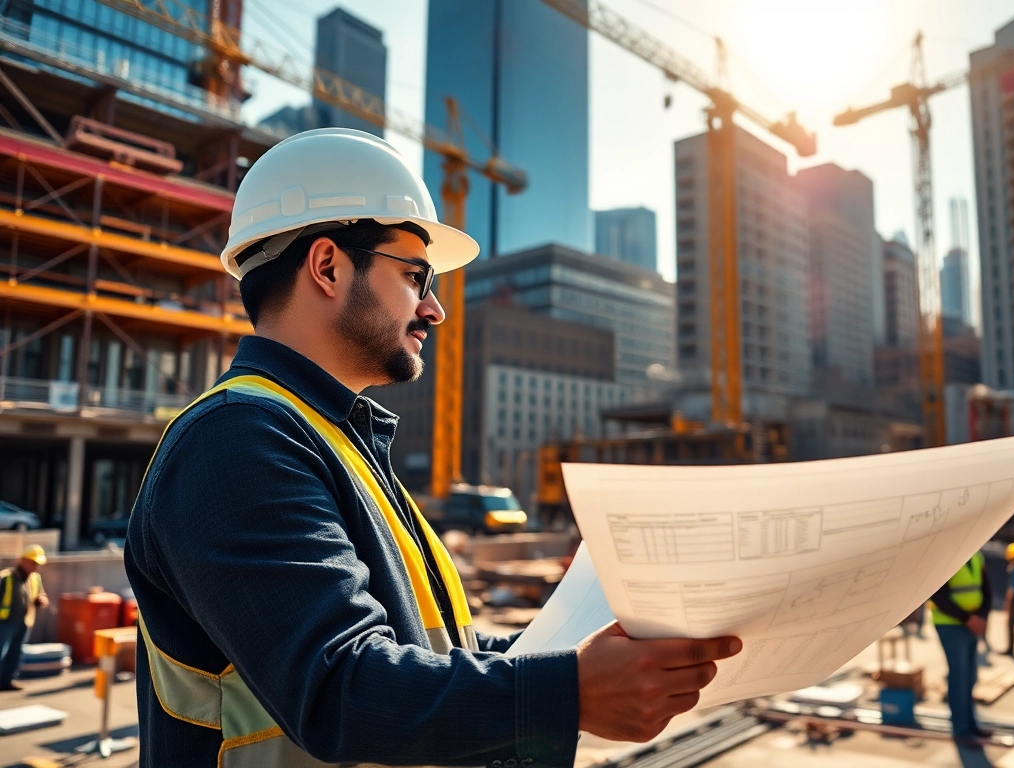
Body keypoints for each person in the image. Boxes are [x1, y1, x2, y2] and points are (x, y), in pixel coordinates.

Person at [124, 129, 741, 768]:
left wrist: (582, 656)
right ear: (328, 266)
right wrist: (571, 691)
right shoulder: (236, 443)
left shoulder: (334, 439)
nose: (435, 309)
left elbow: (426, 652)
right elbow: (340, 686)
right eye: (417, 276)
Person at [929, 550, 993, 741]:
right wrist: (968, 619)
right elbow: (938, 596)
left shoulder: (977, 555)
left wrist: (982, 616)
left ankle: (971, 724)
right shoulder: (944, 556)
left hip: (971, 625)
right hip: (950, 625)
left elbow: (987, 589)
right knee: (959, 676)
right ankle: (961, 731)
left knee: (970, 675)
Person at [0, 545, 49, 691]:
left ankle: (6, 681)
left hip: (24, 621)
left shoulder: (35, 578)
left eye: (37, 564)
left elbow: (40, 594)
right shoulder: (6, 578)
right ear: (22, 560)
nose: (35, 567)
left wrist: (41, 600)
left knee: (16, 652)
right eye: (33, 563)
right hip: (4, 622)